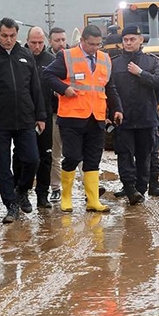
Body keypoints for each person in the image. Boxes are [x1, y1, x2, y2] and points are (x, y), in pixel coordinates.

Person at [42, 24, 123, 213]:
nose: (95, 48)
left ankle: (93, 200)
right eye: (91, 44)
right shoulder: (67, 56)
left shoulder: (104, 59)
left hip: (96, 117)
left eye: (98, 44)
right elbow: (47, 75)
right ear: (82, 41)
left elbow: (109, 87)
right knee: (72, 157)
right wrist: (64, 89)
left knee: (93, 159)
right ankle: (66, 197)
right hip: (72, 118)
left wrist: (117, 109)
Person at [0, 18, 47, 224]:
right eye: (4, 36)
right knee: (2, 165)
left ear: (17, 35)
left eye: (12, 36)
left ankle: (22, 190)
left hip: (25, 119)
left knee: (32, 159)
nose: (8, 40)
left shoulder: (25, 56)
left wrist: (40, 116)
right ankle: (11, 205)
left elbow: (35, 88)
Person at [111, 25, 159, 205]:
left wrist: (140, 73)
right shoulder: (115, 63)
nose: (128, 43)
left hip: (146, 117)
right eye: (125, 40)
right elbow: (109, 90)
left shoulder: (152, 62)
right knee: (124, 155)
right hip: (124, 118)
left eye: (132, 39)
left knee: (144, 156)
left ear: (140, 40)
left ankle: (141, 189)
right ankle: (129, 188)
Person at [12, 26, 56, 209]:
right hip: (22, 116)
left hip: (45, 114)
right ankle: (21, 191)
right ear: (27, 41)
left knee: (45, 156)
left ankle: (43, 195)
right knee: (22, 156)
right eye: (33, 43)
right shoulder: (19, 58)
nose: (37, 46)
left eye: (40, 43)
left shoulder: (51, 61)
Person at [47, 26, 68, 203]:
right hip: (53, 113)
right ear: (50, 41)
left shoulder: (73, 58)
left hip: (73, 113)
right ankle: (55, 188)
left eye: (63, 40)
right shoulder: (46, 60)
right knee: (55, 154)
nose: (60, 43)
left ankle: (89, 187)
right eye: (57, 40)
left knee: (79, 153)